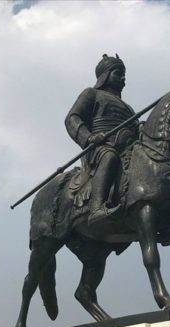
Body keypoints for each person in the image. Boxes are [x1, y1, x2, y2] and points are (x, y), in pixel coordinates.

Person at [65, 54, 139, 226]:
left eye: (124, 74)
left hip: (128, 149)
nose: (123, 78)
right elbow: (72, 118)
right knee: (109, 157)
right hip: (100, 147)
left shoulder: (129, 108)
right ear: (105, 75)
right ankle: (96, 208)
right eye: (118, 73)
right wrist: (89, 137)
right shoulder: (91, 93)